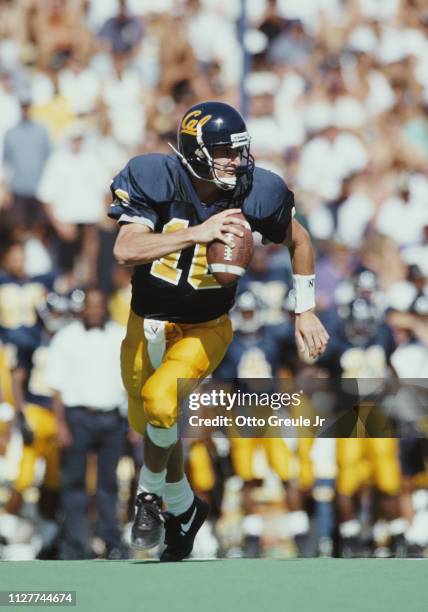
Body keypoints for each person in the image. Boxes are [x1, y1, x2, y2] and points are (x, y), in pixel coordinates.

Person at [109, 101, 329, 561]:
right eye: (225, 151)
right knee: (150, 424)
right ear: (195, 150)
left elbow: (300, 239)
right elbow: (126, 249)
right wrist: (197, 233)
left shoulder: (257, 191)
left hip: (206, 326)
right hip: (145, 323)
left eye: (239, 150)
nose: (236, 160)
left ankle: (148, 499)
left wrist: (304, 310)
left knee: (160, 402)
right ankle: (185, 509)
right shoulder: (156, 177)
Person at [45, 288, 126, 559]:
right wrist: (60, 424)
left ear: (105, 307)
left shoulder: (119, 335)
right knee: (75, 484)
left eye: (98, 305)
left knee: (108, 484)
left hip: (112, 417)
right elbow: (55, 385)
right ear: (82, 308)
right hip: (77, 417)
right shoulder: (66, 338)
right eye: (89, 305)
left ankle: (111, 542)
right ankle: (76, 545)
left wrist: (134, 421)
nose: (93, 310)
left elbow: (130, 380)